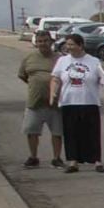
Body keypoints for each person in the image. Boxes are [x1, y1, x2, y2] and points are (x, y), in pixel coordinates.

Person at [50, 34, 104, 173]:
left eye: (71, 44)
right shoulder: (62, 60)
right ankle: (73, 161)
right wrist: (53, 93)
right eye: (67, 44)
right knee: (71, 133)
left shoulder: (94, 61)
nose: (68, 47)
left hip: (90, 101)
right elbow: (55, 78)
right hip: (69, 102)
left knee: (92, 133)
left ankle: (97, 161)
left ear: (80, 45)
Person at [19, 28, 65, 169]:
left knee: (57, 132)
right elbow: (23, 75)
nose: (43, 44)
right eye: (39, 41)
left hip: (56, 103)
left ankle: (56, 158)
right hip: (35, 102)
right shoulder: (29, 58)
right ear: (36, 43)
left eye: (45, 41)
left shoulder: (60, 58)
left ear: (51, 41)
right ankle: (33, 157)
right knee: (32, 131)